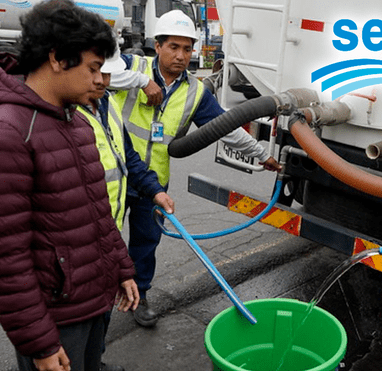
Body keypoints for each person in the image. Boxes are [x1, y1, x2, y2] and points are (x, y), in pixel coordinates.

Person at [0, 1, 139, 371]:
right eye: (93, 68)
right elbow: (5, 258)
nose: (101, 80)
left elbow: (98, 213)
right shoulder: (3, 132)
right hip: (56, 318)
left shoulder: (77, 121)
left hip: (94, 300)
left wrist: (121, 267)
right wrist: (41, 344)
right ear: (56, 58)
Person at [110, 9, 282, 327]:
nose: (180, 55)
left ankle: (141, 295)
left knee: (146, 243)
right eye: (173, 47)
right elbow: (99, 76)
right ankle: (98, 301)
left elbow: (225, 128)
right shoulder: (131, 66)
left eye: (187, 48)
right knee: (102, 241)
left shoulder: (195, 92)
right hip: (116, 177)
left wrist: (261, 155)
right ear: (157, 45)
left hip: (153, 183)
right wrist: (142, 81)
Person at [78, 46, 175, 371]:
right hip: (75, 249)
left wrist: (155, 192)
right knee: (72, 330)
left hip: (104, 237)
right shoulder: (61, 117)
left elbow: (128, 157)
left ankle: (96, 362)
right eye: (97, 72)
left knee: (99, 315)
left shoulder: (106, 104)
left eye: (108, 74)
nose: (103, 81)